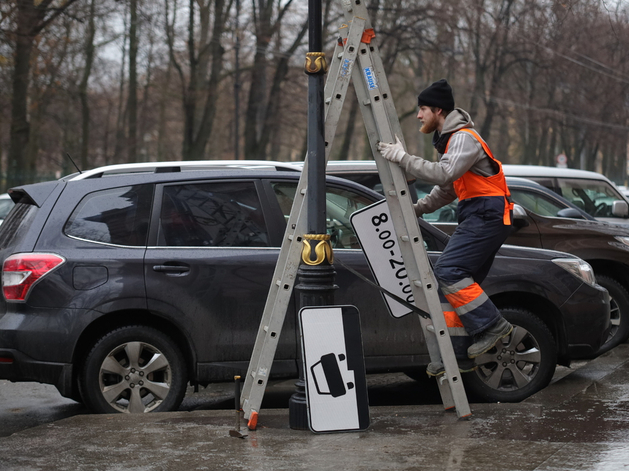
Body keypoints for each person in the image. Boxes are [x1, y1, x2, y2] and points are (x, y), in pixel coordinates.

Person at [377, 78, 514, 377]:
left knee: (449, 272)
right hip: (480, 214)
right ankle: (458, 356)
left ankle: (493, 326)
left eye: (422, 109)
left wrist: (403, 158)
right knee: (455, 289)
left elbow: (444, 174)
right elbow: (449, 189)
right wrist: (416, 210)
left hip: (487, 215)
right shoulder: (450, 141)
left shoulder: (463, 137)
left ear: (438, 110)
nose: (418, 116)